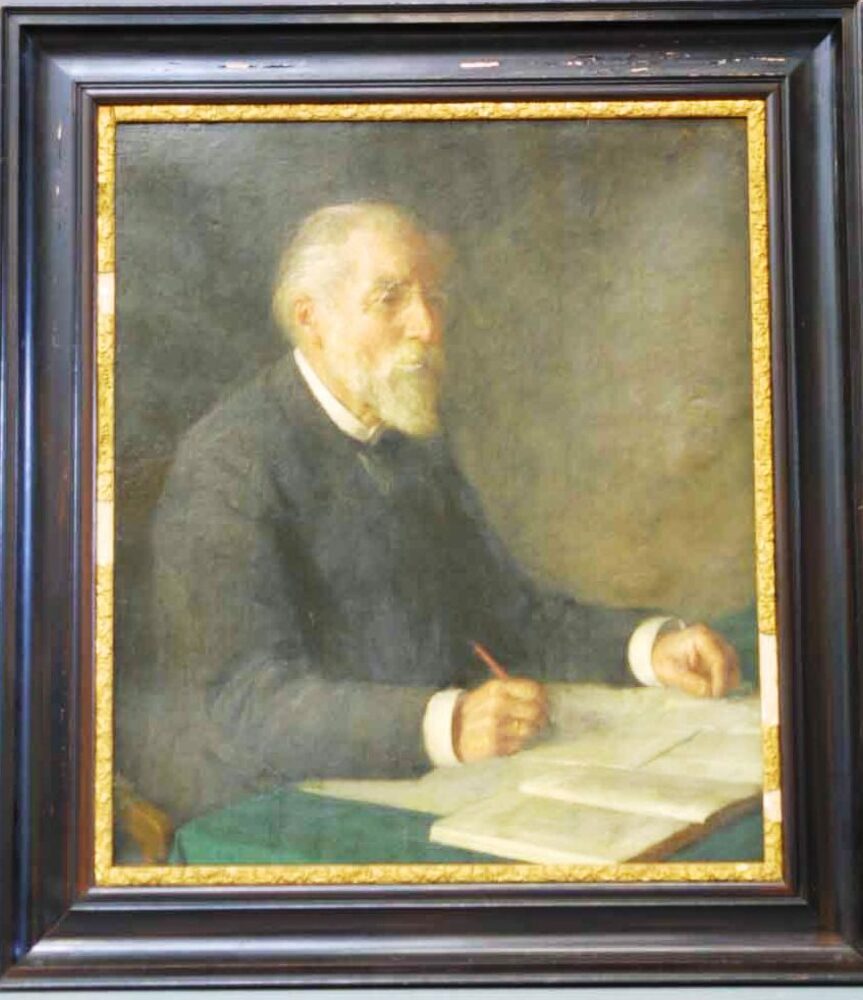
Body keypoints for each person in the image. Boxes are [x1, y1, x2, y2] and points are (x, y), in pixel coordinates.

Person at [127, 202, 740, 825]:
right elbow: (247, 700)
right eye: (389, 298)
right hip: (271, 808)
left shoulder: (408, 437)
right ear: (311, 318)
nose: (425, 325)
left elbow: (508, 611)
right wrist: (447, 723)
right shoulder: (230, 460)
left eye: (432, 298)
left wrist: (647, 648)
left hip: (428, 781)